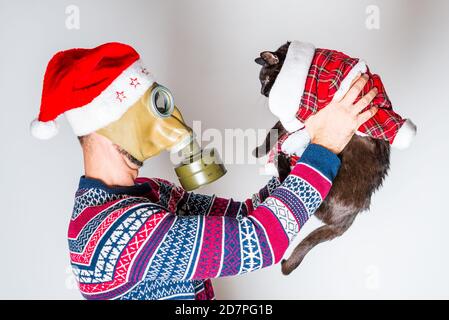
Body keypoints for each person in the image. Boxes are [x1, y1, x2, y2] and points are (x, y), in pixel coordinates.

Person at [30, 43, 377, 300]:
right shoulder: (112, 234)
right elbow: (262, 240)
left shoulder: (152, 191)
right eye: (153, 108)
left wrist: (304, 142)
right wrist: (325, 146)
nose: (172, 121)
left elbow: (246, 216)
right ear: (107, 122)